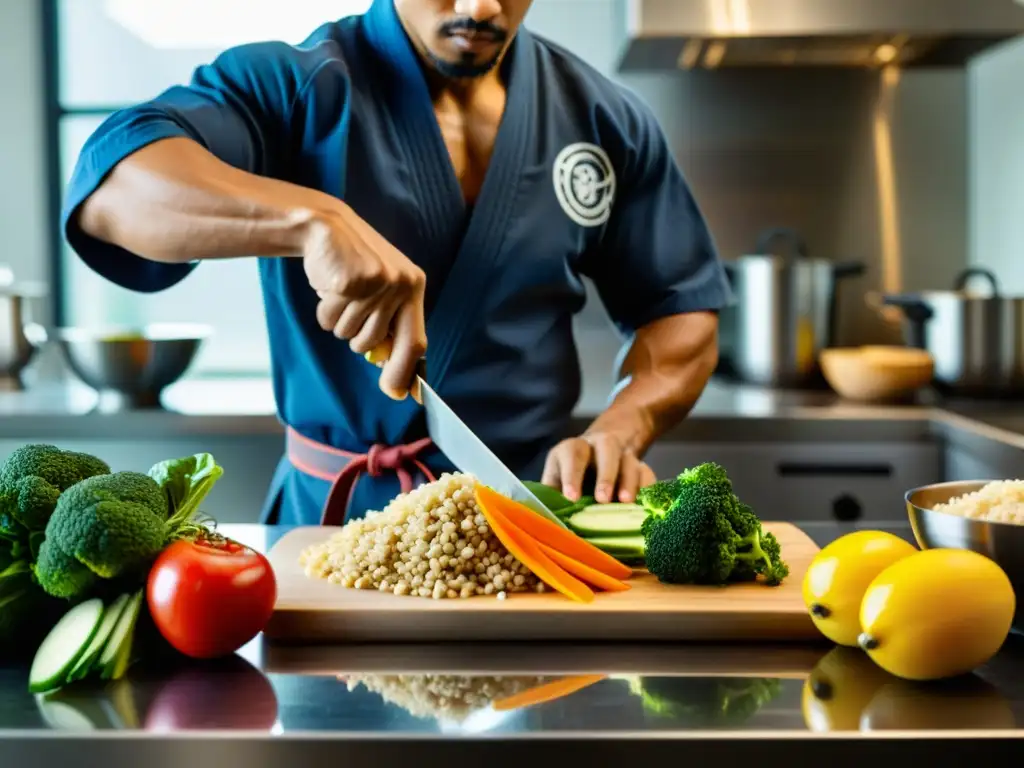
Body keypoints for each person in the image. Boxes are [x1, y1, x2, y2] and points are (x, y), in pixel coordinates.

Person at [62, 0, 732, 526]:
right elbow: (113, 190)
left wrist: (626, 422)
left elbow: (681, 313)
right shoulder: (295, 86)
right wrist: (311, 221)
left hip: (530, 522)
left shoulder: (605, 118)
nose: (482, 7)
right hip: (328, 532)